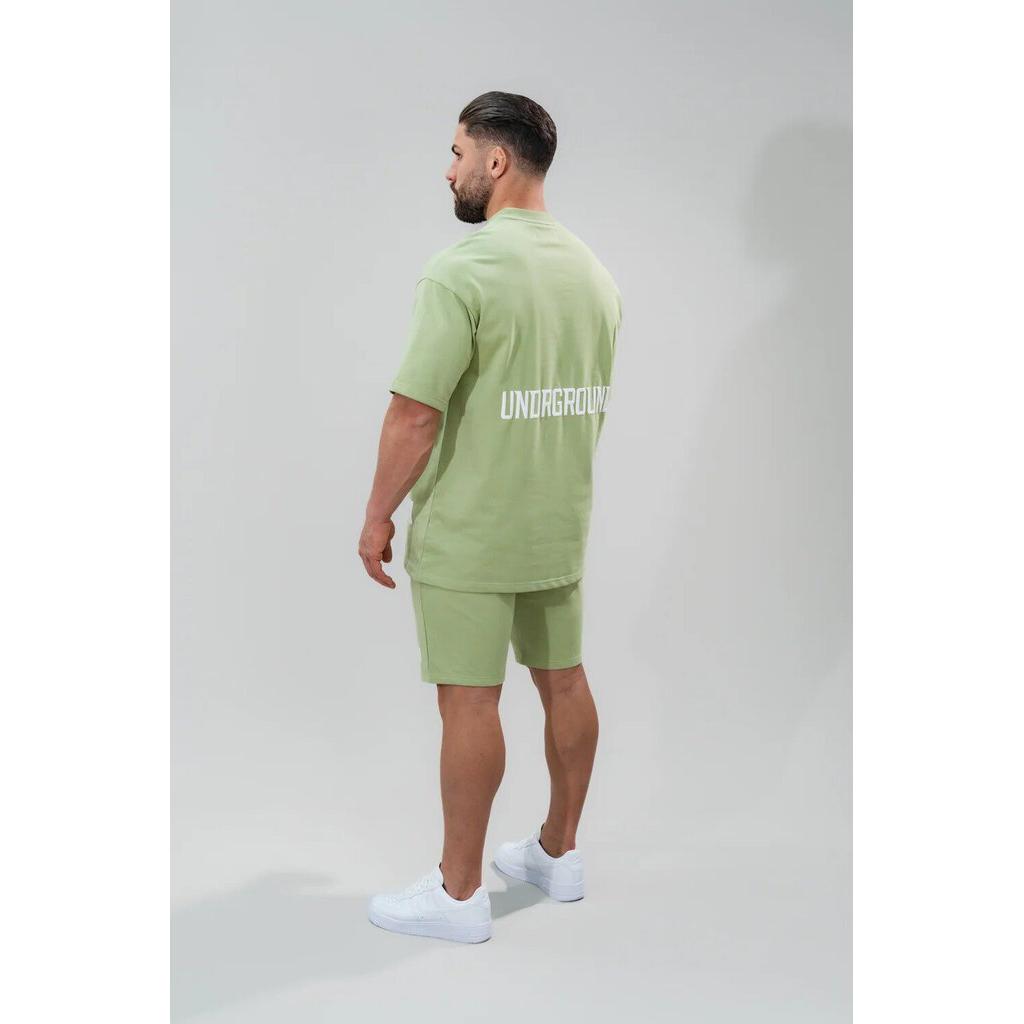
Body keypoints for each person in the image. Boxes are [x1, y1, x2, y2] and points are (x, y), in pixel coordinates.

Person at [358, 91, 622, 943]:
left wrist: (376, 515)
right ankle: (559, 852)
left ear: (495, 161)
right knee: (564, 680)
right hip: (558, 525)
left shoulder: (461, 271)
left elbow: (414, 414)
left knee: (471, 704)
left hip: (472, 532)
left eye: (457, 152)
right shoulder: (593, 273)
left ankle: (460, 892)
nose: (449, 170)